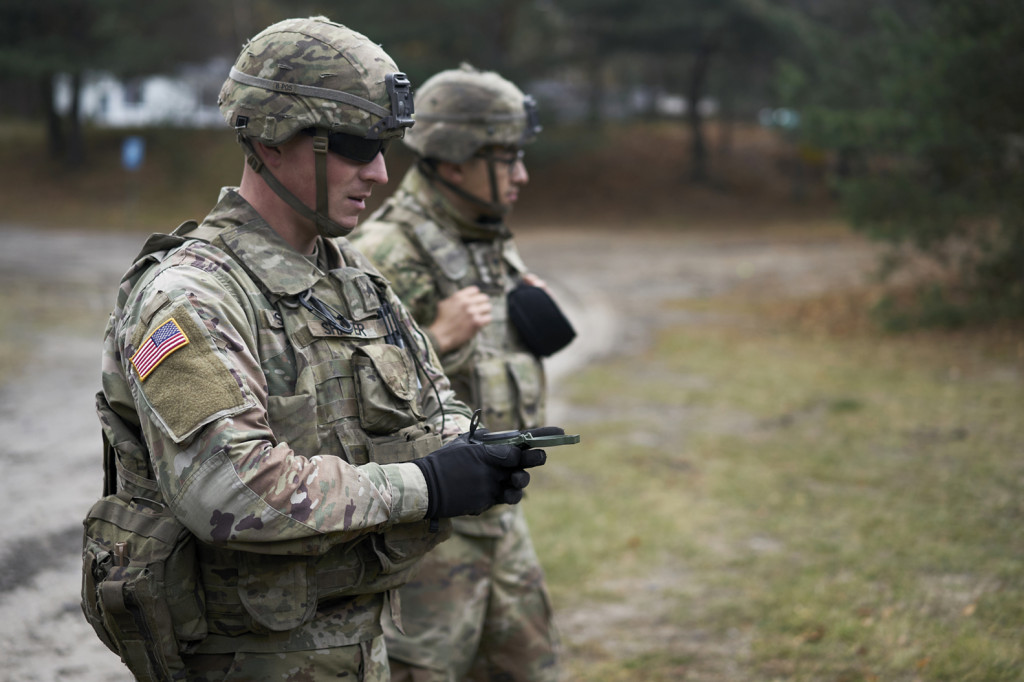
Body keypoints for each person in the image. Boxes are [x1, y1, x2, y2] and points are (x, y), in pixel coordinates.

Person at [93, 19, 555, 682]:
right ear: (272, 138)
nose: (379, 171)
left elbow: (433, 404)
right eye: (355, 145)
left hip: (359, 648)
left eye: (383, 146)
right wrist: (426, 483)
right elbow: (229, 490)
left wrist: (475, 450)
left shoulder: (353, 284)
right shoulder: (191, 297)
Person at [350, 64, 574, 682]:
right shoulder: (386, 252)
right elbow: (348, 403)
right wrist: (437, 340)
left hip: (502, 518)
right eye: (506, 158)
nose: (522, 175)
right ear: (452, 161)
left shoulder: (485, 236)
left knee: (534, 668)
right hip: (432, 534)